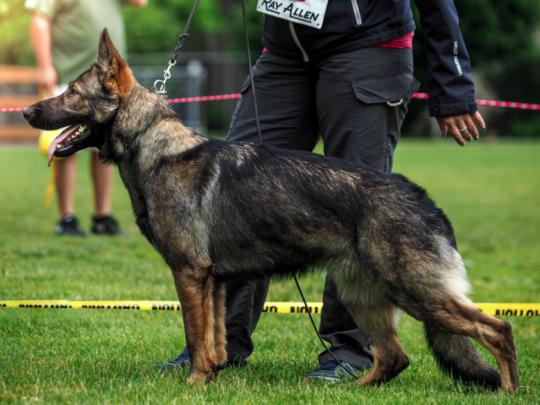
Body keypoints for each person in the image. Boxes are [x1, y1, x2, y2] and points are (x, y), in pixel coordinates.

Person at [160, 0, 486, 382]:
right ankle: (215, 346)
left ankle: (349, 350)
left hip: (368, 47)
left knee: (358, 206)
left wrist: (453, 86)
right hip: (284, 54)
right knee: (232, 197)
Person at [26, 0, 148, 236]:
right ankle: (67, 218)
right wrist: (44, 66)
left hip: (103, 86)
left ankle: (102, 216)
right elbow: (39, 20)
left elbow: (141, 2)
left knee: (103, 148)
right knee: (65, 147)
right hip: (67, 79)